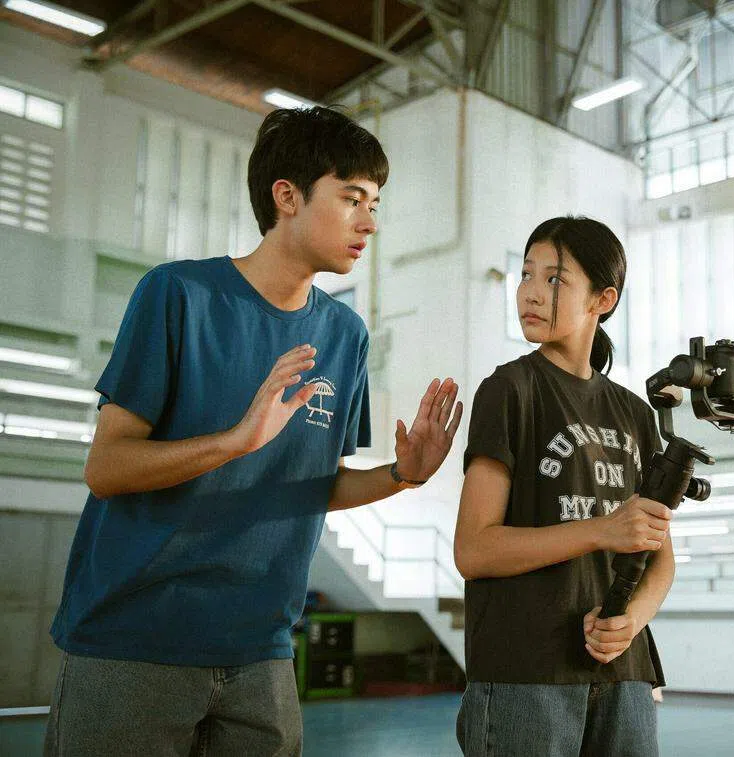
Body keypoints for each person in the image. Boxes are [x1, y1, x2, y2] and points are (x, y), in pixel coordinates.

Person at [45, 106, 463, 757]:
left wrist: (403, 474)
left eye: (375, 203)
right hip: (135, 640)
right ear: (287, 196)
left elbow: (312, 487)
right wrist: (236, 440)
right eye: (352, 198)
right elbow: (106, 468)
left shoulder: (345, 336)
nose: (370, 222)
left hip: (262, 653)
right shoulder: (177, 294)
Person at [453, 216, 674, 756]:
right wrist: (600, 530)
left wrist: (631, 621)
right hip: (525, 672)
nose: (530, 292)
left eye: (554, 279)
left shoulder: (635, 414)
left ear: (603, 299)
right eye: (526, 274)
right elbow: (474, 550)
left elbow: (660, 557)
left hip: (624, 672)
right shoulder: (510, 390)